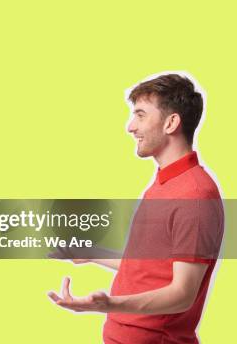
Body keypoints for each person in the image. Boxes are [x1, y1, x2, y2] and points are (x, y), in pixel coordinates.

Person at [47, 73, 224, 343]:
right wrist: (90, 253)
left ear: (171, 123)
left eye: (140, 115)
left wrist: (108, 304)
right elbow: (150, 269)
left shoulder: (195, 195)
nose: (131, 126)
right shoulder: (164, 185)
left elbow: (182, 294)